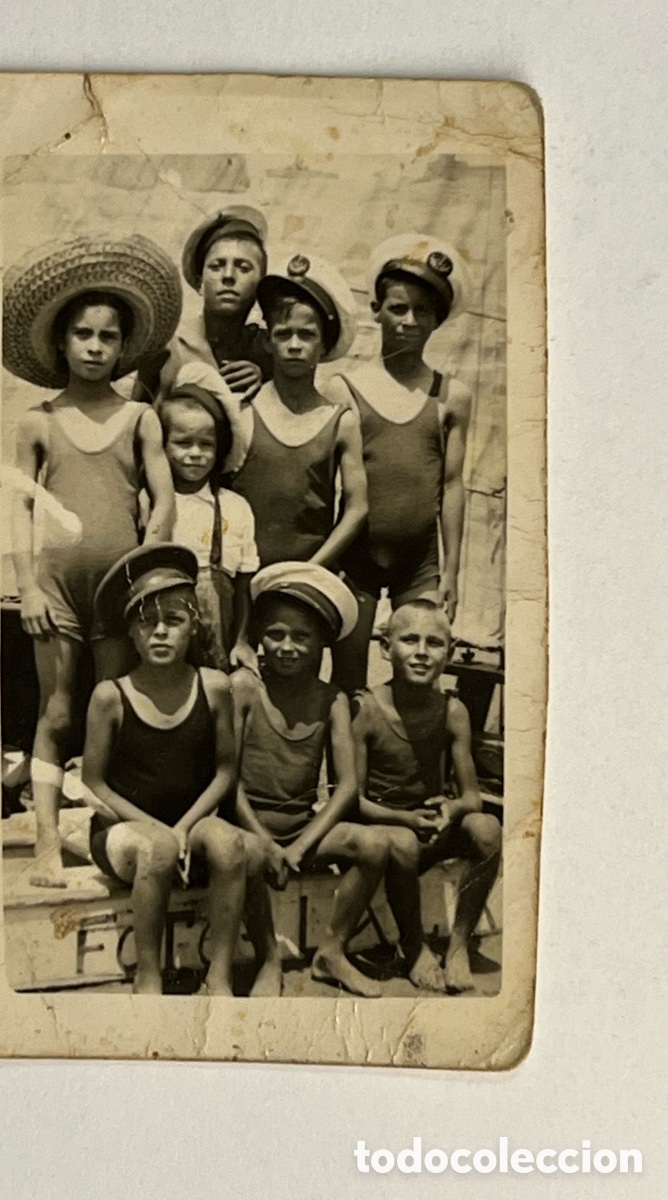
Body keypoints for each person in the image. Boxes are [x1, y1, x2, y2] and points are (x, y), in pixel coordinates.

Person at [3, 235, 181, 888]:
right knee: (55, 712)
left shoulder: (140, 418)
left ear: (124, 344)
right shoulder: (37, 422)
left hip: (117, 592)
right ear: (62, 342)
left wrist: (141, 574)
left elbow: (161, 502)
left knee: (109, 708)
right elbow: (18, 511)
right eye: (83, 334)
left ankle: (107, 839)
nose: (96, 346)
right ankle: (48, 843)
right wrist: (27, 589)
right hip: (55, 586)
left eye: (109, 336)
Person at [82, 545, 246, 996]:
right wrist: (160, 831)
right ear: (130, 634)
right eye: (146, 623)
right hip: (126, 831)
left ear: (193, 627)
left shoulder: (214, 687)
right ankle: (148, 976)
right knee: (155, 850)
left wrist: (185, 828)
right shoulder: (109, 696)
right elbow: (92, 781)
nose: (159, 633)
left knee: (230, 845)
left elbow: (225, 771)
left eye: (173, 621)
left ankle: (220, 977)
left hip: (187, 825)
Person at [229, 563, 395, 998]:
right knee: (244, 853)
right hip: (248, 826)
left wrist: (300, 846)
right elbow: (227, 781)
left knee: (375, 844)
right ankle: (268, 957)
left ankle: (332, 952)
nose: (286, 647)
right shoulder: (244, 690)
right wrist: (264, 841)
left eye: (301, 637)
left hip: (303, 828)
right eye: (275, 634)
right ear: (260, 636)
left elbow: (347, 788)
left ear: (323, 642)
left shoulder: (332, 699)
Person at [328, 234, 473, 694]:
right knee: (349, 681)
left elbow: (452, 485)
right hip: (357, 556)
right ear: (376, 310)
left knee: (417, 683)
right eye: (397, 309)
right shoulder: (345, 388)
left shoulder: (452, 396)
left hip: (420, 563)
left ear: (438, 321)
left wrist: (450, 571)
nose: (409, 321)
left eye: (423, 312)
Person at [351, 599, 501, 992]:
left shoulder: (452, 711)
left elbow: (473, 797)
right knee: (401, 843)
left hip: (431, 829)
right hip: (387, 833)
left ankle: (457, 946)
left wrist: (450, 809)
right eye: (409, 640)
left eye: (434, 643)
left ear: (449, 653)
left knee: (486, 829)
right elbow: (354, 802)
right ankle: (414, 945)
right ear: (386, 648)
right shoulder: (365, 709)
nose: (421, 653)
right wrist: (405, 820)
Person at [230, 254, 368, 571]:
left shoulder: (340, 421)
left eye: (306, 335)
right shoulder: (243, 408)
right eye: (283, 333)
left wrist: (313, 569)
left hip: (306, 585)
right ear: (267, 341)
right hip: (240, 578)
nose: (294, 345)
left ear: (323, 344)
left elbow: (357, 508)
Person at [153, 365, 260, 672]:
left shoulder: (235, 507)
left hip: (219, 645)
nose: (196, 453)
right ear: (162, 445)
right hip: (161, 641)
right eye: (183, 443)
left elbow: (242, 588)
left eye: (206, 444)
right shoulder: (151, 504)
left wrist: (241, 641)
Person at [134, 206, 272, 417]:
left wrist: (265, 383)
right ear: (199, 283)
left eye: (243, 267)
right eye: (216, 266)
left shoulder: (268, 349)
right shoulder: (170, 347)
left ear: (260, 286)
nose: (228, 276)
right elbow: (137, 418)